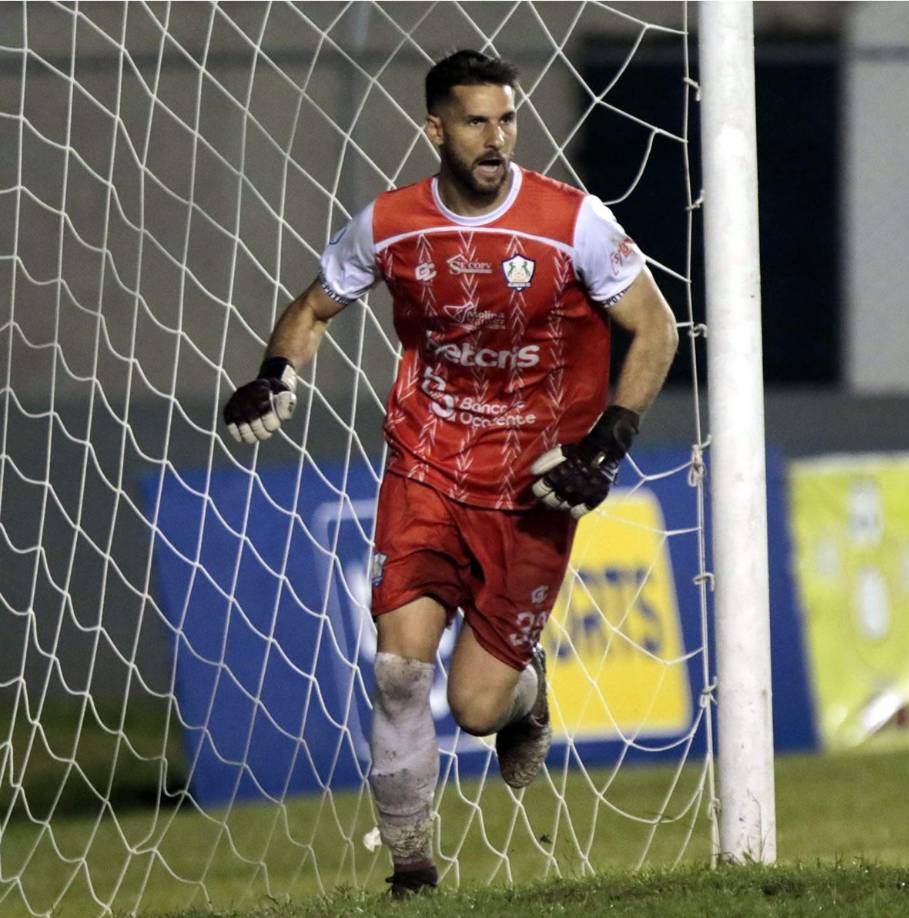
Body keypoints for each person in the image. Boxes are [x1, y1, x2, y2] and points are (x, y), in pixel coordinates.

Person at [223, 49, 678, 898]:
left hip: (535, 484)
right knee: (398, 672)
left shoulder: (572, 220)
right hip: (425, 465)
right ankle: (412, 873)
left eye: (506, 119)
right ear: (436, 130)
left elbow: (653, 328)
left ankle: (526, 693)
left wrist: (607, 443)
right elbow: (316, 304)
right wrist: (275, 371)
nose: (496, 137)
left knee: (474, 710)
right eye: (476, 121)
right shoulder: (389, 222)